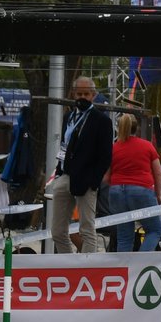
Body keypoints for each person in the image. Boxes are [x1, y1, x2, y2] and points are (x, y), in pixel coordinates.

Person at [48, 77, 113, 253]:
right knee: (57, 231)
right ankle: (68, 266)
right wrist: (60, 171)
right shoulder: (68, 117)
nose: (82, 97)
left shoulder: (102, 121)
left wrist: (94, 181)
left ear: (93, 95)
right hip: (65, 175)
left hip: (87, 180)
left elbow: (106, 155)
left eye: (86, 94)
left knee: (87, 229)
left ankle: (88, 268)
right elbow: (64, 145)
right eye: (79, 93)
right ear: (73, 94)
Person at [104, 113, 161, 251]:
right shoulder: (147, 146)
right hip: (141, 190)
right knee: (154, 230)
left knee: (124, 235)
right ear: (137, 129)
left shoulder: (113, 148)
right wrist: (158, 194)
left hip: (116, 192)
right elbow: (158, 173)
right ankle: (140, 264)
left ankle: (124, 269)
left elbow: (106, 177)